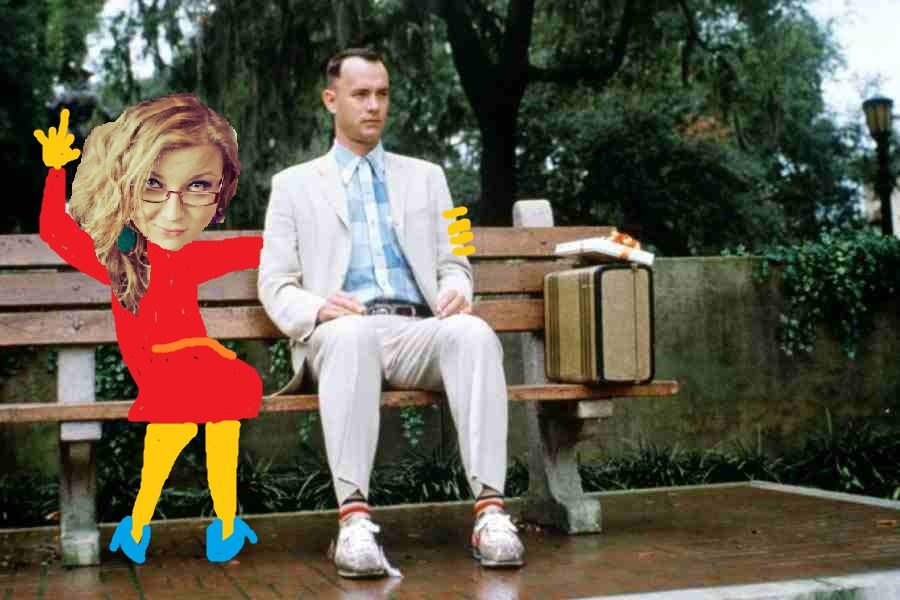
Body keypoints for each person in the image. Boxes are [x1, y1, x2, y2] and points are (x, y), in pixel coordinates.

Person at [258, 48, 525, 578]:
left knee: (472, 333)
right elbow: (275, 283)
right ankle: (354, 523)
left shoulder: (429, 177)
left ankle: (491, 514)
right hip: (338, 334)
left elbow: (457, 259)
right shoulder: (293, 185)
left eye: (381, 94)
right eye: (360, 94)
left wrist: (457, 289)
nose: (373, 105)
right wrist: (319, 307)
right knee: (353, 334)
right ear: (331, 100)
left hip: (415, 330)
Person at [34, 95, 263, 564]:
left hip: (196, 363)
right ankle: (146, 525)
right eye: (152, 185)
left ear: (219, 194)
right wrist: (56, 171)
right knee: (178, 429)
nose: (173, 214)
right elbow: (55, 230)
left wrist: (311, 230)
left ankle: (219, 524)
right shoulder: (118, 260)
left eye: (198, 186)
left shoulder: (191, 257)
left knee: (214, 425)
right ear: (123, 185)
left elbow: (259, 247)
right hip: (159, 366)